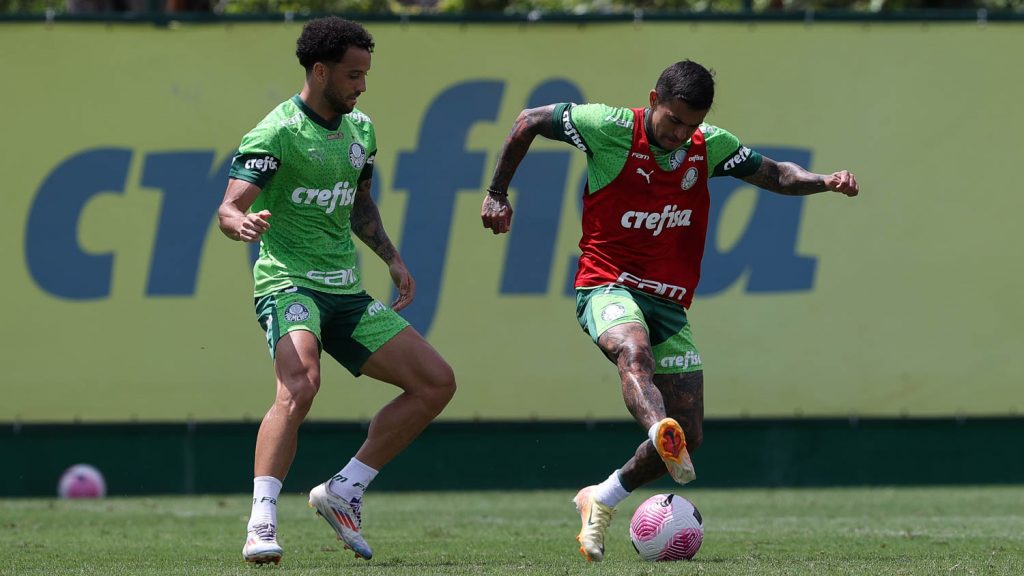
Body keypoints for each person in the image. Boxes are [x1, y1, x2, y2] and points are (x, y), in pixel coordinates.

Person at [480, 60, 858, 562]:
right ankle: (660, 429)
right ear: (654, 98)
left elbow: (776, 174)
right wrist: (497, 192)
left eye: (691, 125)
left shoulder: (708, 146)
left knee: (692, 434)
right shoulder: (610, 128)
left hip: (670, 304)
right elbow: (528, 120)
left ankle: (602, 496)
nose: (681, 134)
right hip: (607, 284)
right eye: (673, 121)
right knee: (633, 352)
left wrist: (824, 180)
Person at [218, 16, 456, 565]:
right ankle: (261, 522)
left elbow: (359, 203)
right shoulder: (276, 132)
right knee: (301, 384)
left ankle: (343, 490)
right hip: (288, 282)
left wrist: (393, 260)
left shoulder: (361, 130)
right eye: (353, 75)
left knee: (436, 383)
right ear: (320, 71)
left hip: (345, 291)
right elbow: (230, 207)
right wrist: (241, 223)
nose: (362, 86)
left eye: (365, 74)